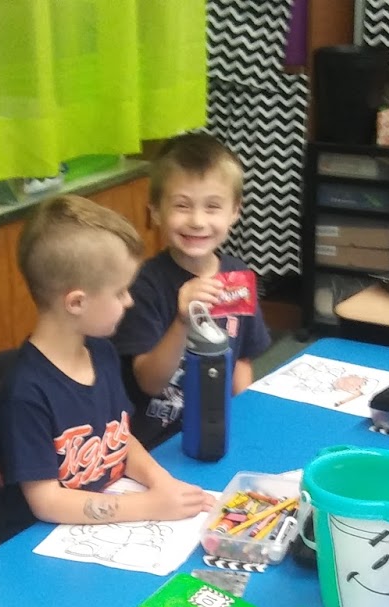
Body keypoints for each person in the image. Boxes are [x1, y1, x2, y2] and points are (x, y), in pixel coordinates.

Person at [0, 194, 211, 529]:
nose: (129, 302)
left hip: (112, 512)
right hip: (47, 540)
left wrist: (161, 481)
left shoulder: (101, 352)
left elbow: (121, 437)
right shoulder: (25, 393)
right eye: (120, 291)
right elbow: (47, 501)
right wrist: (150, 504)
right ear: (77, 302)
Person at [112, 133, 272, 446]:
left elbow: (242, 360)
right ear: (156, 211)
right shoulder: (143, 285)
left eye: (213, 207)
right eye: (182, 206)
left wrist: (245, 419)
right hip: (160, 441)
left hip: (218, 430)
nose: (197, 221)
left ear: (235, 212)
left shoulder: (237, 275)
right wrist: (182, 321)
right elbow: (149, 381)